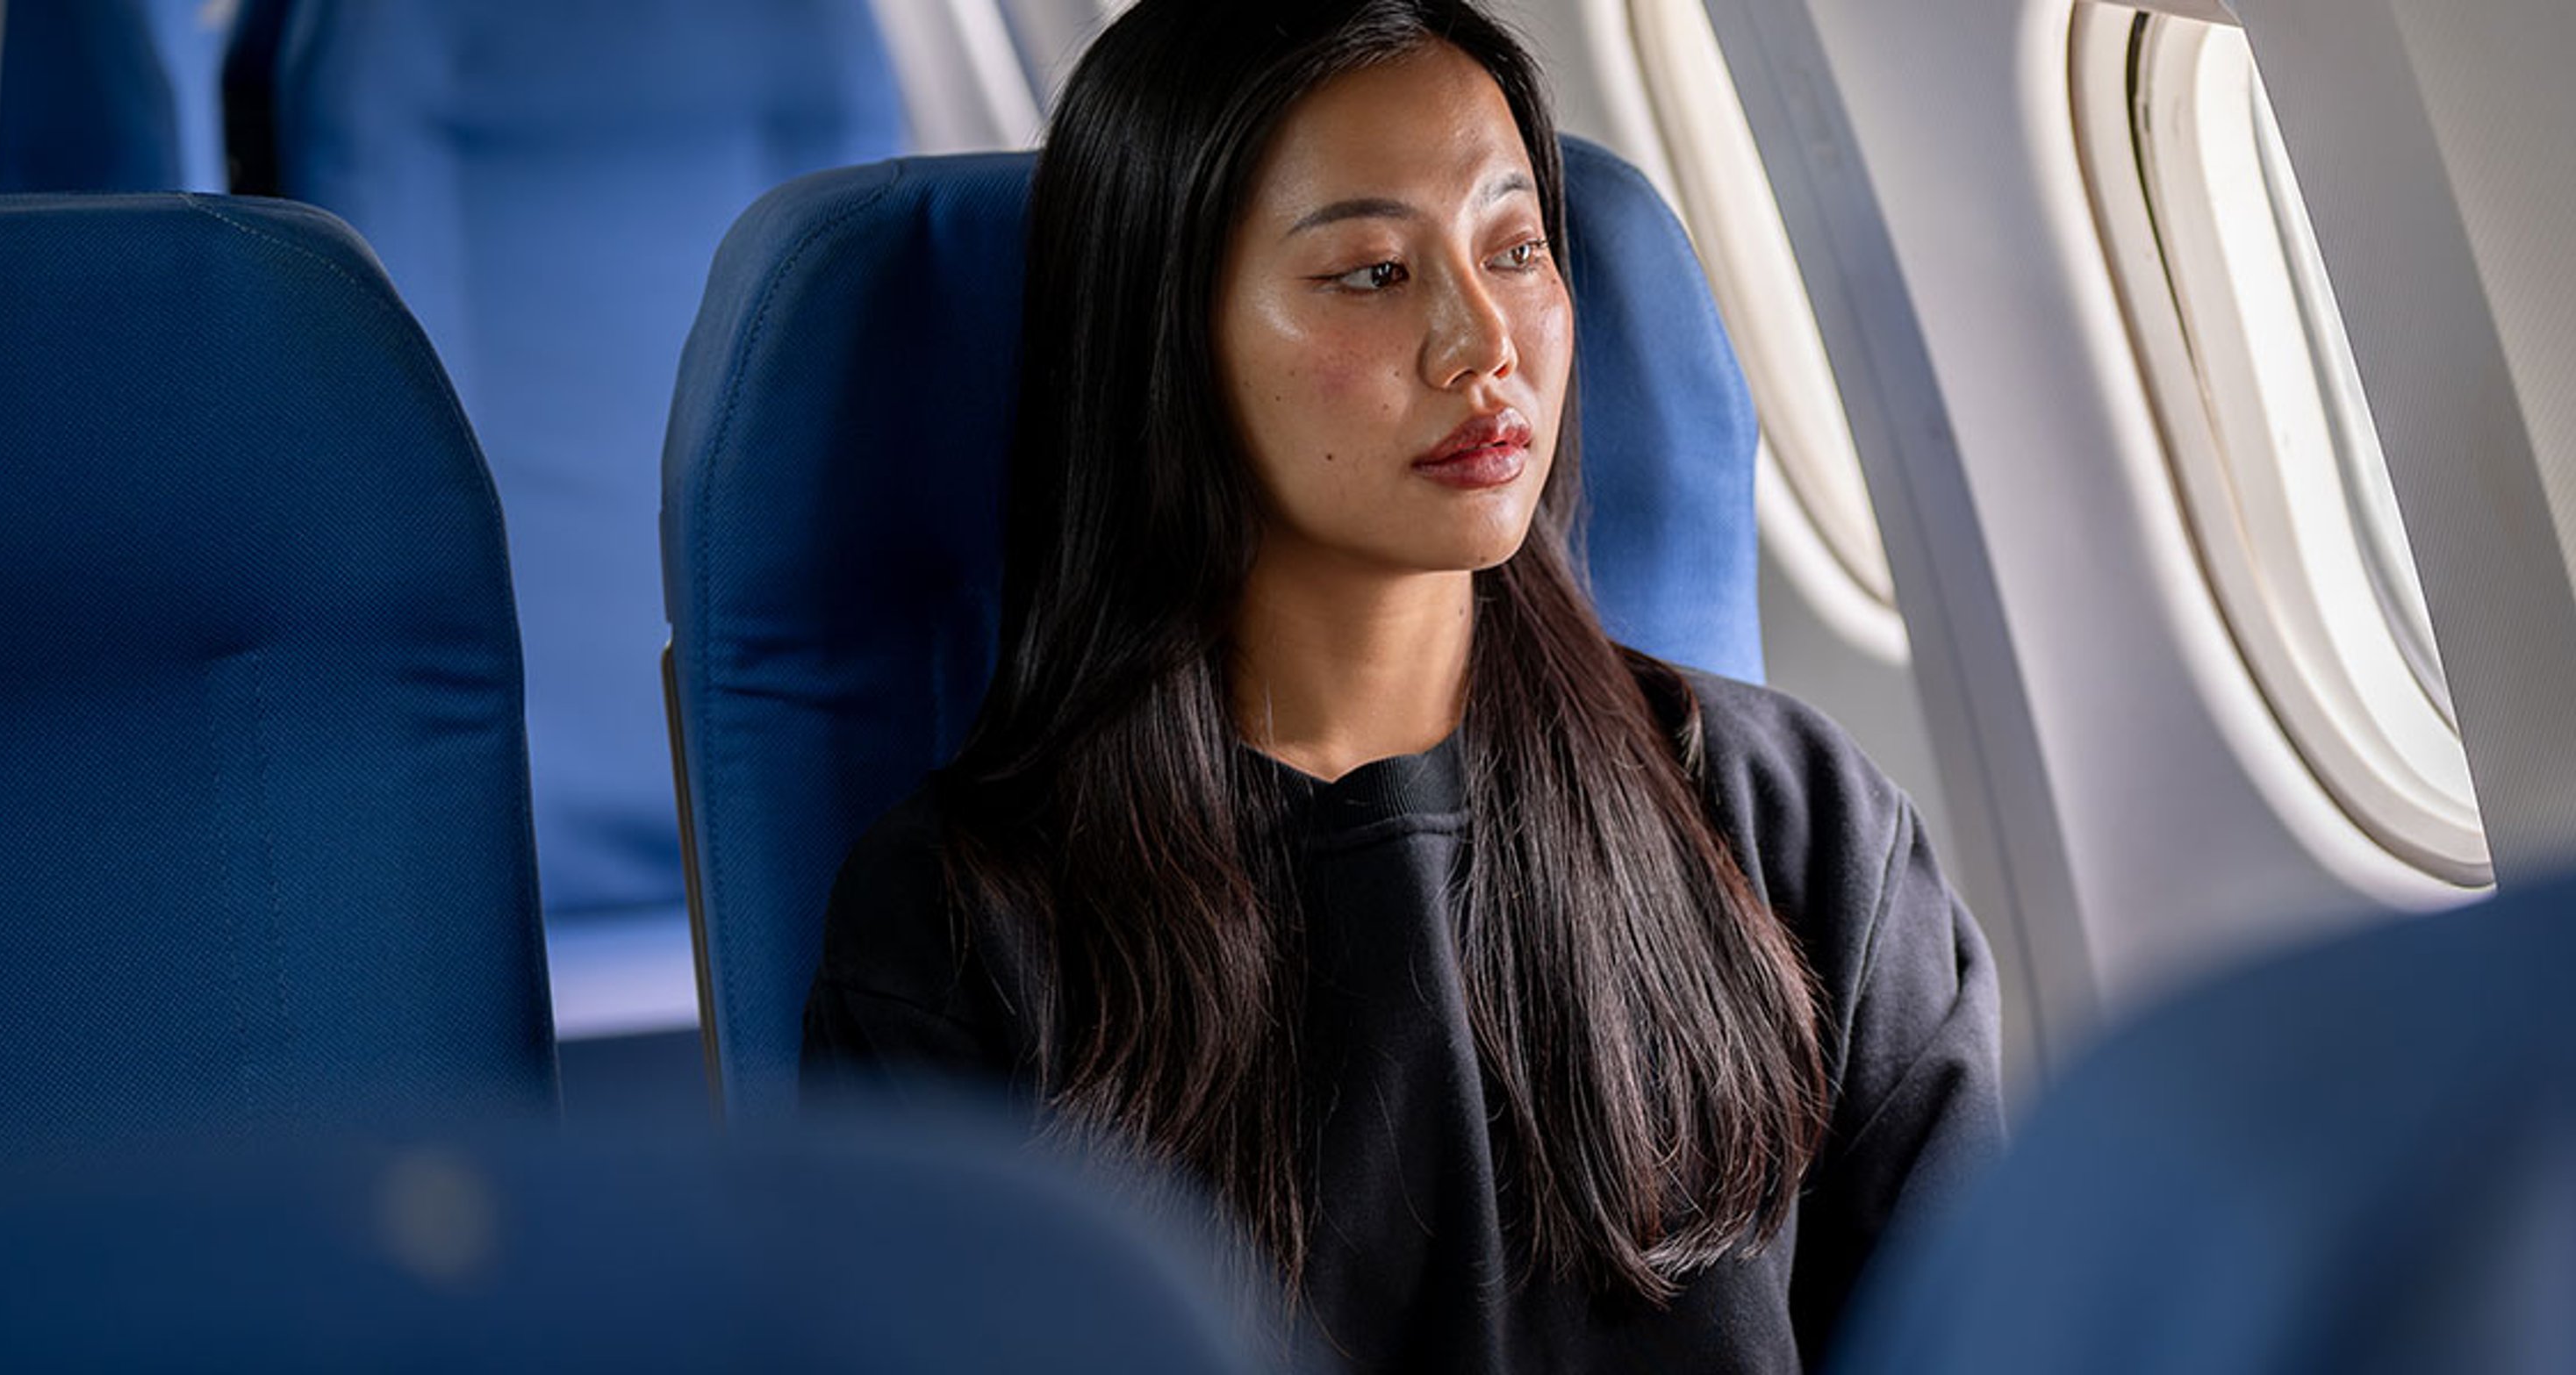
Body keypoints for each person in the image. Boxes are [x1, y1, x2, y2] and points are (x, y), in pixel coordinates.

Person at [800, 1, 2000, 1368]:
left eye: (1516, 249)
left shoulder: (1799, 832)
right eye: (1372, 272)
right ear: (1169, 340)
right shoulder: (967, 935)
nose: (1482, 344)